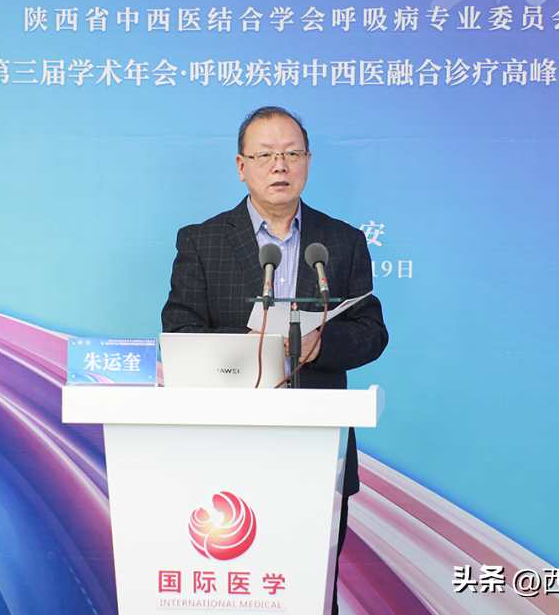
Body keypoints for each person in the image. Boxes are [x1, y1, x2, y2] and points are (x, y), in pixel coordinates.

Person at [161, 105, 388, 613]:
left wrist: (321, 343)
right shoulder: (201, 240)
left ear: (307, 161)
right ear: (241, 166)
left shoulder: (343, 241)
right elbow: (179, 330)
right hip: (225, 443)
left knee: (309, 590)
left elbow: (372, 333)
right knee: (232, 590)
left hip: (319, 446)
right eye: (264, 155)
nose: (279, 166)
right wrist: (252, 346)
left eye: (291, 153)